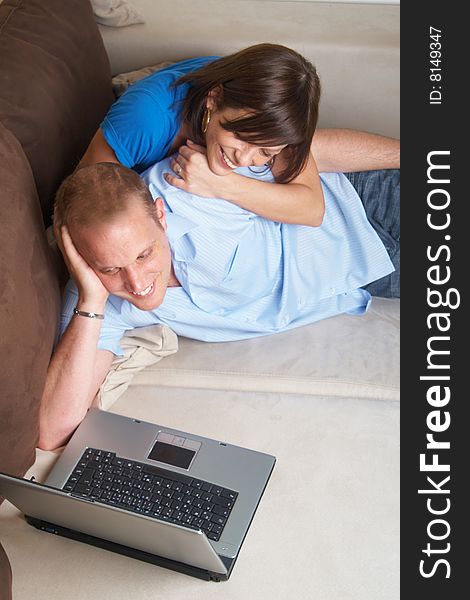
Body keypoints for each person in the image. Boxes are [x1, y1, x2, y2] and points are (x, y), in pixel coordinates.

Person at [39, 155, 399, 451]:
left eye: (145, 254)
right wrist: (91, 297)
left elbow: (304, 147)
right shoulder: (97, 300)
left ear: (161, 216)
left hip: (366, 201)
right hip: (370, 274)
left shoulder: (188, 188)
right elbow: (54, 431)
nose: (136, 283)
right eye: (110, 268)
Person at [79, 43, 399, 226]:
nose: (244, 159)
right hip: (143, 127)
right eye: (242, 137)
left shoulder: (265, 113)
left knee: (310, 147)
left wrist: (222, 183)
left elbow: (311, 209)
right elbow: (82, 199)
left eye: (265, 153)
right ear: (213, 99)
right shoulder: (146, 120)